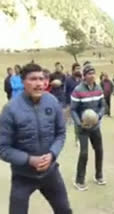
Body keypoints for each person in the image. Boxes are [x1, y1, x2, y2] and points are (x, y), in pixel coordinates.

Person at [0, 63, 72, 214]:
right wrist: (29, 160)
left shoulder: (52, 101)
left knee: (64, 210)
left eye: (41, 78)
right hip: (23, 175)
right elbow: (3, 148)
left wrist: (52, 154)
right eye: (33, 79)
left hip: (50, 172)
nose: (39, 84)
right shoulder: (10, 110)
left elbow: (60, 133)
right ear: (22, 82)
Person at [71, 64, 106, 191]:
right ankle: (79, 181)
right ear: (84, 76)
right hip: (83, 128)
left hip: (95, 126)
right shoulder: (78, 90)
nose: (92, 75)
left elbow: (103, 106)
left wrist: (99, 116)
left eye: (93, 73)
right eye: (89, 73)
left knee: (99, 150)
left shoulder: (98, 88)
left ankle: (99, 176)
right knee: (84, 153)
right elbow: (73, 110)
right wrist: (79, 123)